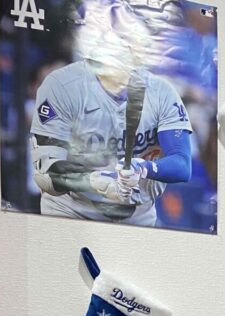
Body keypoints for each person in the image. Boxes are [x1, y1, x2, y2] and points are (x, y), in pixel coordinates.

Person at [30, 8, 192, 226]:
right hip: (72, 209)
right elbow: (45, 173)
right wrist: (94, 181)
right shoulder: (63, 85)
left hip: (137, 212)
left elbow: (182, 164)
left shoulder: (161, 92)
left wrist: (142, 168)